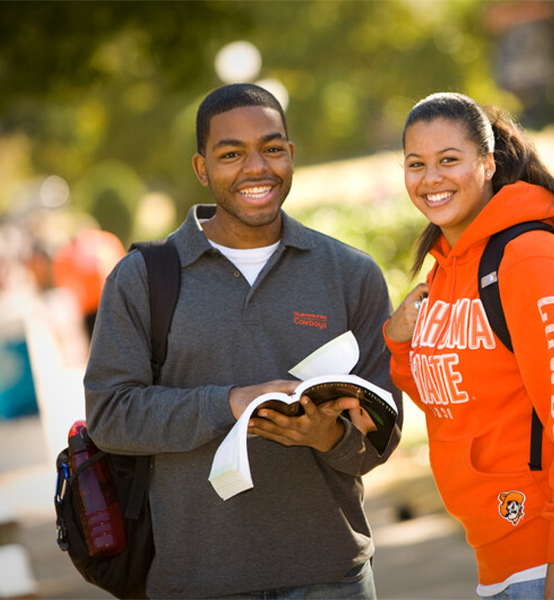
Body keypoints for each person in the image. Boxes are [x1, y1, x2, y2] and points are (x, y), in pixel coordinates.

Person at [84, 83, 402, 599]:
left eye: (272, 148)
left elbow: (384, 434)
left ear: (291, 156)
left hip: (331, 576)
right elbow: (110, 417)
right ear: (202, 168)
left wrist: (326, 437)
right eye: (231, 153)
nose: (257, 167)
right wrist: (230, 403)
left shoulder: (351, 274)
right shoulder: (142, 278)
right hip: (197, 582)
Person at [384, 92, 554, 600]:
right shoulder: (446, 269)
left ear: (487, 164)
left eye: (449, 160)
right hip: (501, 553)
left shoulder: (531, 261)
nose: (430, 178)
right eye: (415, 164)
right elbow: (453, 399)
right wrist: (399, 344)